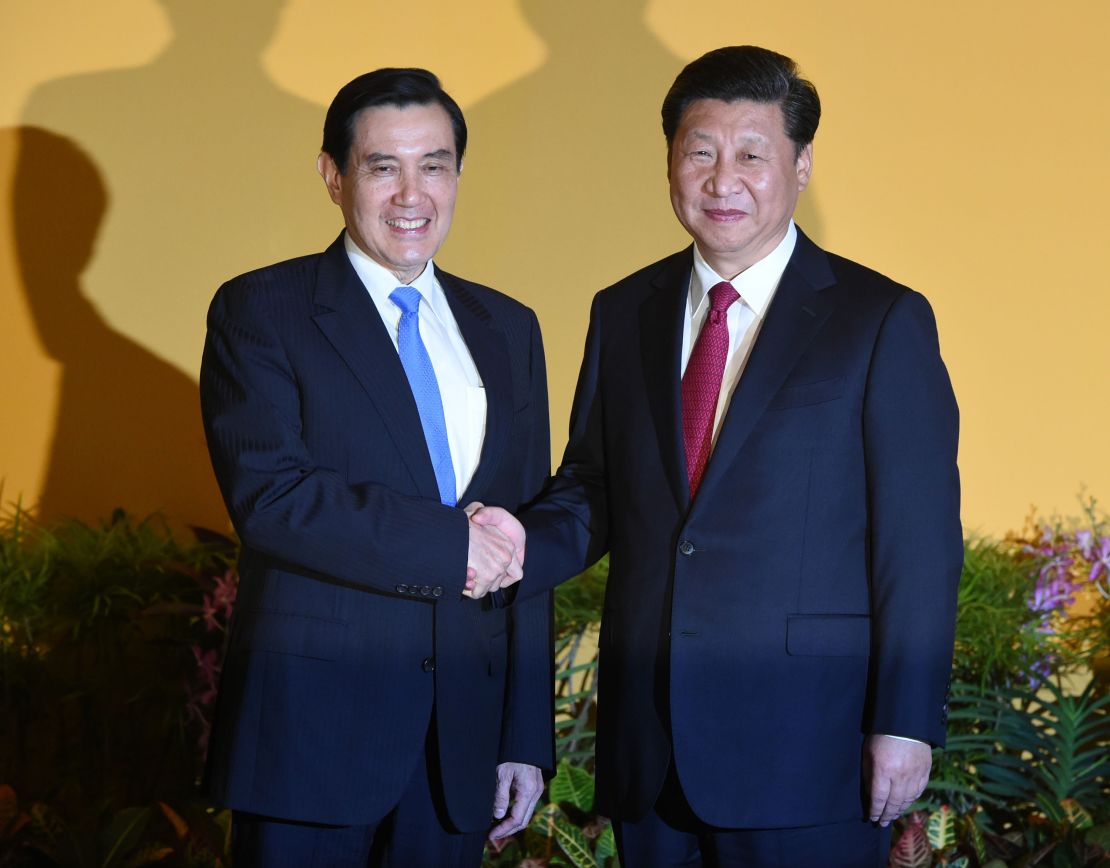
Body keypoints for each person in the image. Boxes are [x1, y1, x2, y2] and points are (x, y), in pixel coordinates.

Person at [475, 46, 962, 867]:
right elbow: (597, 485)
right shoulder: (624, 310)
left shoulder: (879, 320)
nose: (721, 179)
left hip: (810, 745)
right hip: (650, 746)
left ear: (801, 165)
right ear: (670, 161)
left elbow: (917, 543)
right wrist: (514, 545)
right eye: (699, 151)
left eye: (751, 154)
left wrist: (906, 720)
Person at [199, 68, 553, 867]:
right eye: (381, 166)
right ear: (333, 175)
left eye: (433, 165)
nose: (411, 194)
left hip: (460, 748)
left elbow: (518, 532)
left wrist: (524, 735)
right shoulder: (261, 310)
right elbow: (271, 497)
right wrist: (448, 545)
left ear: (458, 175)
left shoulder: (509, 327)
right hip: (311, 737)